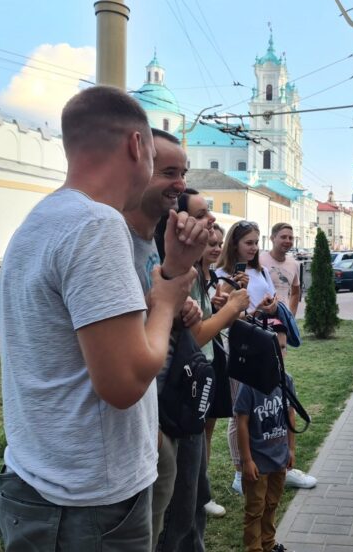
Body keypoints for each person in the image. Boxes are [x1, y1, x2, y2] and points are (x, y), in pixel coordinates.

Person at [0, 86, 196, 551]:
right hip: (87, 509)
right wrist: (165, 301)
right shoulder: (96, 224)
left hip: (40, 488)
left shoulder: (39, 222)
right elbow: (124, 383)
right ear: (136, 146)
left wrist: (171, 272)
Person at [123, 128, 210, 549]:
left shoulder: (151, 245)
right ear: (136, 166)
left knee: (169, 520)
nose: (180, 184)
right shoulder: (110, 240)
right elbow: (122, 345)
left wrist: (177, 300)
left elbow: (159, 304)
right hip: (143, 416)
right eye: (169, 171)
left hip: (164, 405)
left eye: (184, 172)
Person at [155, 190, 249, 551]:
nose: (211, 220)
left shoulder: (195, 270)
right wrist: (232, 310)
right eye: (201, 213)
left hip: (197, 378)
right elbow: (193, 337)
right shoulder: (178, 272)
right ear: (175, 223)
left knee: (192, 494)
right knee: (180, 504)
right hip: (182, 389)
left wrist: (219, 305)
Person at [217, 221, 281, 494]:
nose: (254, 248)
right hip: (239, 348)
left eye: (257, 242)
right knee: (240, 410)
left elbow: (267, 303)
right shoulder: (221, 274)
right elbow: (222, 316)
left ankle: (267, 461)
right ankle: (239, 470)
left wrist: (271, 307)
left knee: (266, 402)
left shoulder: (261, 270)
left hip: (264, 343)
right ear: (234, 244)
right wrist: (236, 297)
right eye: (249, 243)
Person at [259, 222, 317, 490]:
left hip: (280, 329)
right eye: (283, 236)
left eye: (291, 237)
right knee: (254, 393)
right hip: (258, 328)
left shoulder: (294, 264)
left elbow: (296, 291)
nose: (288, 241)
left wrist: (290, 315)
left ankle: (281, 456)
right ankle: (248, 464)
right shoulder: (260, 259)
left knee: (279, 386)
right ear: (272, 238)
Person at [235, 369, 296, 552]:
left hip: (279, 458)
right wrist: (246, 460)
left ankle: (268, 543)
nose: (280, 354)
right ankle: (254, 548)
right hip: (258, 462)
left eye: (283, 348)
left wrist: (291, 449)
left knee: (272, 503)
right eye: (275, 349)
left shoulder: (287, 380)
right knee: (255, 509)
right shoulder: (249, 385)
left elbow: (291, 413)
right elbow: (241, 422)